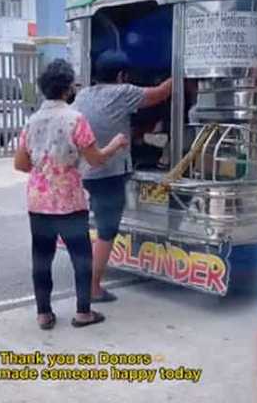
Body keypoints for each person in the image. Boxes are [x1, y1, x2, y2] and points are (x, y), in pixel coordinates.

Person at [14, 59, 127, 329]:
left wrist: (44, 165)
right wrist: (115, 144)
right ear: (67, 89)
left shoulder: (32, 122)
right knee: (81, 257)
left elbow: (20, 164)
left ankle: (44, 313)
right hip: (69, 201)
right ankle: (83, 313)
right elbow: (96, 159)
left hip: (39, 201)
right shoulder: (75, 120)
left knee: (42, 258)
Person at [73, 50, 172, 302]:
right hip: (107, 172)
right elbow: (160, 93)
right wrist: (182, 74)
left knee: (98, 226)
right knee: (107, 231)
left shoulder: (83, 94)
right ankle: (93, 289)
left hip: (86, 171)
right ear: (121, 75)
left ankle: (88, 281)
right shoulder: (122, 92)